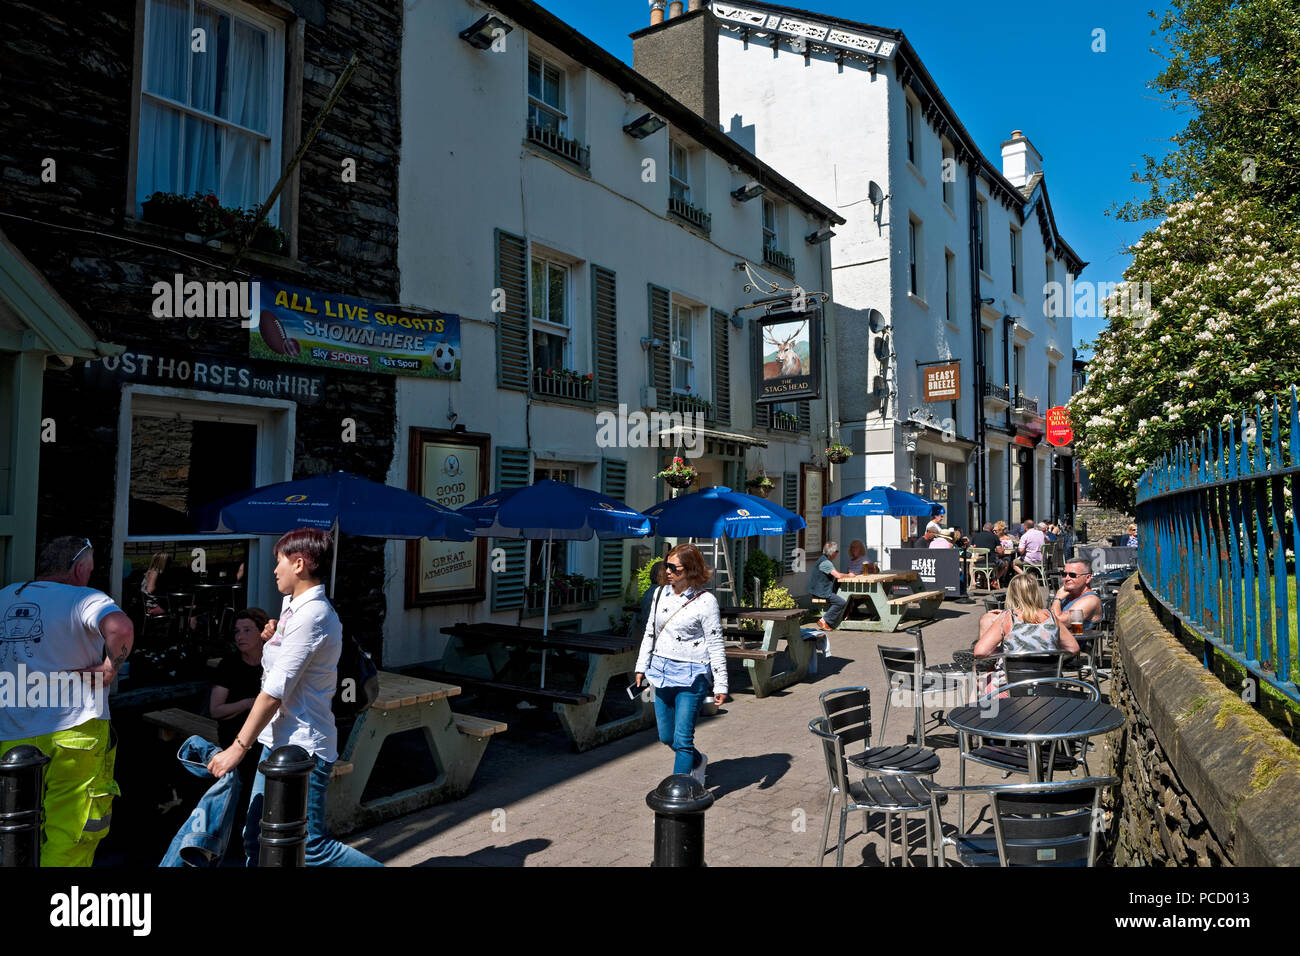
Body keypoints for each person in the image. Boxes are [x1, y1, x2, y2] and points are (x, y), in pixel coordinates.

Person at [206, 528, 381, 866]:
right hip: (276, 741)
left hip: (304, 746)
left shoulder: (313, 615)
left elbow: (273, 692)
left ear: (299, 564)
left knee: (312, 847)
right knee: (257, 837)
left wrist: (237, 749)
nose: (274, 570)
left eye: (279, 562)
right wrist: (272, 633)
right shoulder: (291, 609)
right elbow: (279, 662)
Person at [0, 537, 134, 866]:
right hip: (74, 731)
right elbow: (121, 628)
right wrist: (108, 669)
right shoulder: (85, 598)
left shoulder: (5, 596)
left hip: (11, 732)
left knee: (11, 825)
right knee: (71, 831)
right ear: (79, 569)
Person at [633, 544, 727, 785]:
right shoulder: (658, 594)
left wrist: (721, 685)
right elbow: (650, 633)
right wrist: (641, 666)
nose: (668, 571)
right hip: (661, 671)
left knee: (683, 739)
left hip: (692, 674)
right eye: (666, 565)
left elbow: (715, 643)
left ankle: (680, 795)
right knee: (667, 737)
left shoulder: (706, 601)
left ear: (691, 569)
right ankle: (698, 761)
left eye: (674, 567)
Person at [974, 572, 1078, 694]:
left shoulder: (1008, 617)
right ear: (1036, 592)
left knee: (976, 673)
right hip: (1049, 684)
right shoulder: (1051, 616)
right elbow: (1073, 648)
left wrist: (1003, 652)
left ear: (1011, 594)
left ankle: (977, 711)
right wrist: (1049, 652)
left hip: (1011, 687)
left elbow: (980, 652)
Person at [209, 608, 268, 750]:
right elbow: (215, 711)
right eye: (237, 631)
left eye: (247, 630)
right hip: (233, 736)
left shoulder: (272, 662)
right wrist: (248, 703)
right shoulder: (228, 665)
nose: (240, 637)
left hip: (266, 735)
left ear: (261, 633)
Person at [1049, 559, 1104, 634]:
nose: (1067, 578)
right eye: (1064, 574)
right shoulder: (1067, 595)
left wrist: (1057, 599)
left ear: (1087, 578)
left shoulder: (1090, 600)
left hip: (1077, 644)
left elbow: (1058, 623)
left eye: (1072, 575)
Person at [809, 541, 852, 631]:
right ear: (833, 553)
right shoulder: (826, 563)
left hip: (820, 589)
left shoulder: (823, 559)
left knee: (845, 597)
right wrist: (850, 575)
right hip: (820, 591)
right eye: (837, 551)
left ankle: (843, 616)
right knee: (840, 602)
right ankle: (824, 620)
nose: (837, 553)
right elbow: (838, 575)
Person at [141, 551, 168, 617]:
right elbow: (150, 590)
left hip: (152, 603)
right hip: (153, 605)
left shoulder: (150, 572)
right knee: (180, 607)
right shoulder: (154, 573)